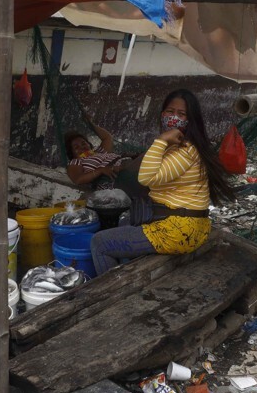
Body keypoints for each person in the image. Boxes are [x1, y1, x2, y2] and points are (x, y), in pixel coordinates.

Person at [89, 89, 236, 275]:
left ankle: (110, 292)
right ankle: (126, 276)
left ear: (191, 120)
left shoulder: (185, 150)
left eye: (181, 114)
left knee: (99, 242)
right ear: (162, 114)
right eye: (170, 111)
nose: (174, 117)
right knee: (125, 222)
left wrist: (160, 140)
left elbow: (146, 178)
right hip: (183, 223)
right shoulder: (176, 145)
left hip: (178, 229)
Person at [64, 111, 128, 191]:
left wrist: (90, 124)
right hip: (114, 177)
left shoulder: (99, 152)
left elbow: (107, 137)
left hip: (124, 163)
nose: (82, 147)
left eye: (83, 143)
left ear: (89, 144)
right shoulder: (76, 161)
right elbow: (78, 179)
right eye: (76, 147)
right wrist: (101, 170)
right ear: (72, 153)